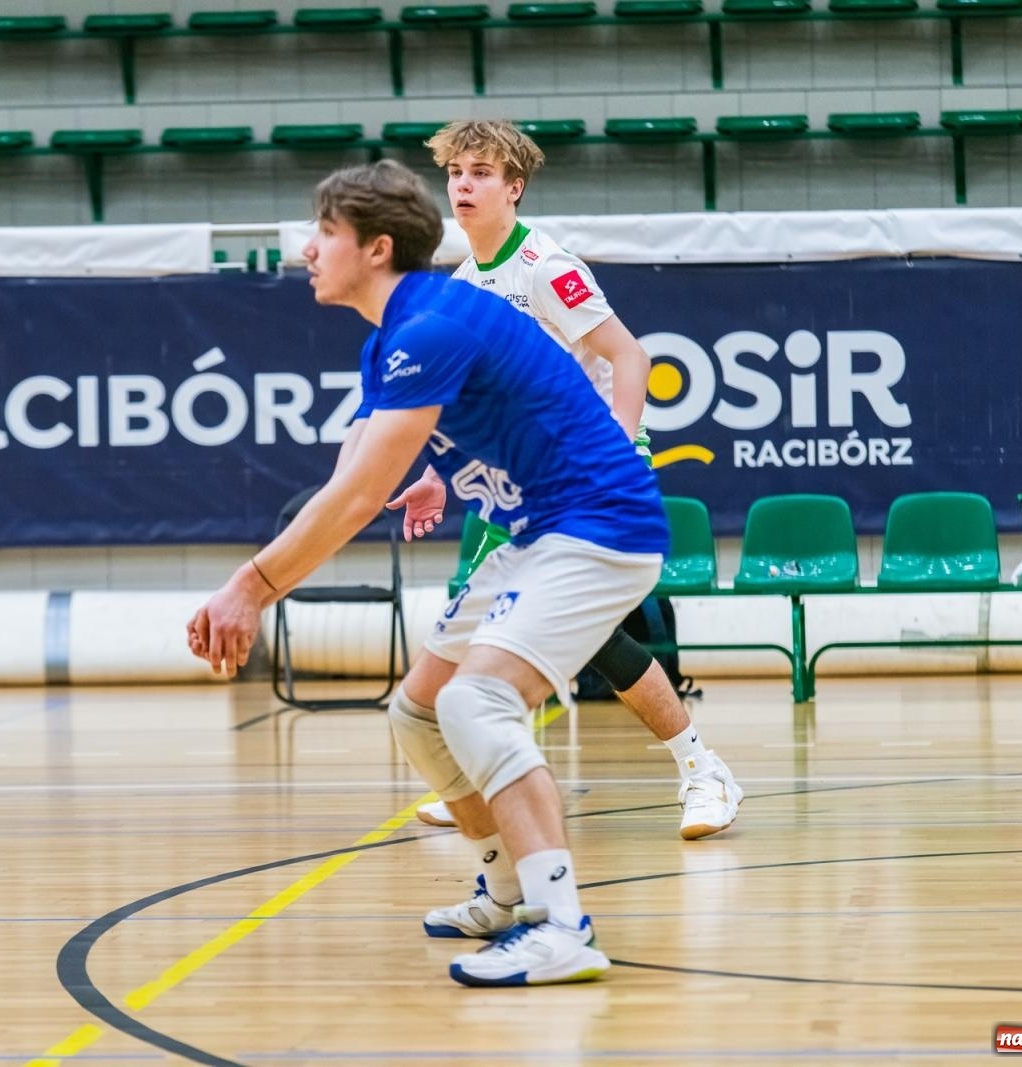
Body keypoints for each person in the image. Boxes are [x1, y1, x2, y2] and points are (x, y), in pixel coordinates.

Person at [190, 159, 668, 986]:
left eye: (326, 234)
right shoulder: (399, 335)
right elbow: (359, 468)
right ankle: (506, 886)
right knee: (417, 711)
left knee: (473, 698)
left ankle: (564, 925)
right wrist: (405, 470)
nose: (308, 250)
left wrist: (251, 587)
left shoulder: (430, 328)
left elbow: (356, 495)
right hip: (538, 525)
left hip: (599, 524)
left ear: (376, 249)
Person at [390, 119, 743, 845]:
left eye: (482, 172)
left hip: (579, 477)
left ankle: (702, 768)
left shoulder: (546, 266)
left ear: (513, 188)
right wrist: (432, 474)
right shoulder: (463, 286)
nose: (464, 184)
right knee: (479, 631)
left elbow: (630, 356)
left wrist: (615, 444)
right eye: (456, 172)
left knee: (595, 638)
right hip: (515, 482)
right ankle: (485, 770)